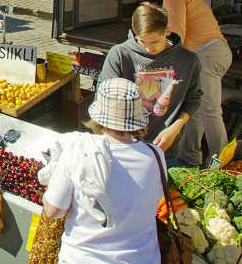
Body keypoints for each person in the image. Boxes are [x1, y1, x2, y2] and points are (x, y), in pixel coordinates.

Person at [42, 77, 166, 264]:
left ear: (97, 117)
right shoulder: (156, 156)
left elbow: (54, 211)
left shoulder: (78, 150)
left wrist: (50, 183)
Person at [99, 2, 203, 160]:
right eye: (142, 42)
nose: (149, 49)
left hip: (165, 149)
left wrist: (174, 129)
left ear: (167, 31)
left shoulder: (188, 60)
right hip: (123, 147)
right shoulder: (120, 54)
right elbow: (104, 98)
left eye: (154, 42)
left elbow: (193, 99)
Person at [163, 0, 233, 167]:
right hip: (214, 52)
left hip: (205, 52)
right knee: (194, 106)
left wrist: (169, 58)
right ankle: (189, 158)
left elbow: (177, 30)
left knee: (210, 111)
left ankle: (221, 164)